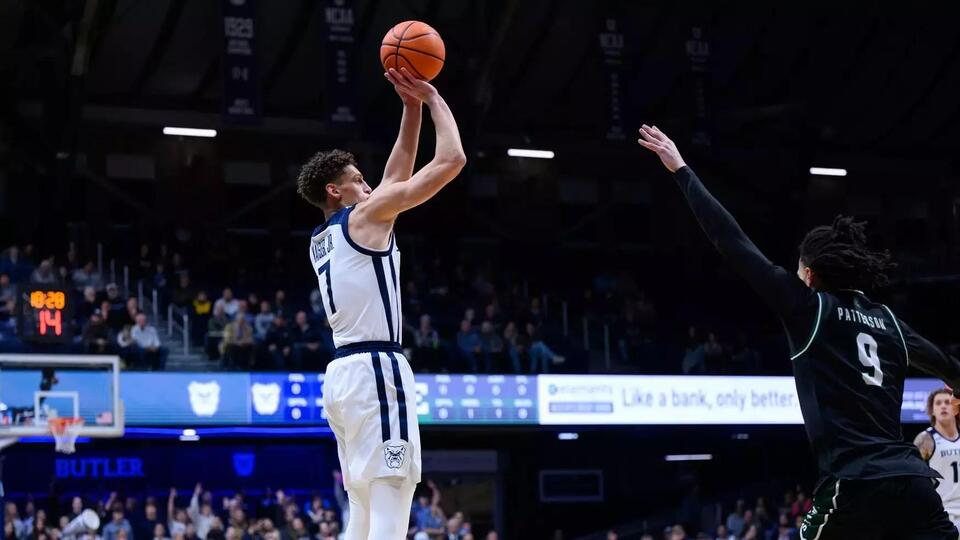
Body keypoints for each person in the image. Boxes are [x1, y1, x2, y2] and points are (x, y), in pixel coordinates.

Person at [638, 124, 960, 539]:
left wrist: (682, 170)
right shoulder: (889, 321)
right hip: (915, 486)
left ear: (808, 274)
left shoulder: (809, 308)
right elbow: (952, 368)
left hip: (854, 483)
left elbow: (732, 242)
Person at [298, 66, 465, 539]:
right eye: (358, 179)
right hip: (375, 369)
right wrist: (432, 98)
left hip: (343, 377)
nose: (369, 186)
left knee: (363, 511)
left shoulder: (323, 236)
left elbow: (397, 172)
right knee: (391, 506)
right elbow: (452, 160)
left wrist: (408, 108)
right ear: (336, 190)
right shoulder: (367, 216)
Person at [915, 387, 960, 531]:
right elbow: (915, 479)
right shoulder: (925, 439)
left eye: (947, 402)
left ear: (955, 408)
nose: (943, 406)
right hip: (943, 514)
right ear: (932, 411)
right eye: (938, 403)